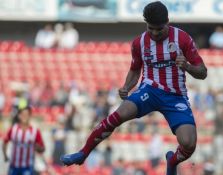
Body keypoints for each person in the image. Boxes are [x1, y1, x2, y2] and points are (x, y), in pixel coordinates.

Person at [60, 1, 207, 175]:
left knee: (189, 143)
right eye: (150, 28)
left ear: (167, 22)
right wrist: (127, 86)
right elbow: (135, 69)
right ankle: (83, 153)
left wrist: (188, 67)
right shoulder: (139, 43)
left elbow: (203, 72)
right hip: (149, 90)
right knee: (118, 114)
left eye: (158, 29)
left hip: (175, 96)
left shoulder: (182, 39)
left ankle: (172, 161)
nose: (154, 33)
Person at [2, 106, 45, 175]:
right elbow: (5, 142)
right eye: (22, 114)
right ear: (19, 116)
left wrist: (38, 147)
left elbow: (42, 149)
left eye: (26, 114)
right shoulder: (13, 129)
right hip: (14, 166)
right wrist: (5, 155)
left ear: (30, 116)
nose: (24, 116)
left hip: (27, 166)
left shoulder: (35, 131)